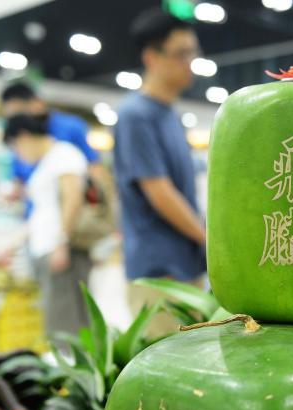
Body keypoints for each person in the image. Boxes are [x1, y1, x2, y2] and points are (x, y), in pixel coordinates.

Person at [114, 9, 206, 335]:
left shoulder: (169, 114)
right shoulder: (136, 115)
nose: (190, 61)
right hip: (160, 272)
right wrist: (208, 237)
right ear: (152, 57)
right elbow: (159, 192)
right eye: (182, 53)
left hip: (185, 266)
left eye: (193, 52)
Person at [1, 114, 91, 336]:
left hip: (60, 251)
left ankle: (73, 368)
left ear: (23, 136)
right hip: (48, 250)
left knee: (66, 322)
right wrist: (12, 245)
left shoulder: (64, 155)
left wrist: (61, 243)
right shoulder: (47, 162)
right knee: (57, 318)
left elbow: (73, 198)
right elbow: (43, 212)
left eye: (15, 147)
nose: (18, 155)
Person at [0, 82, 104, 190]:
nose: (16, 121)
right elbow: (18, 176)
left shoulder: (70, 126)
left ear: (36, 103)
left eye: (20, 112)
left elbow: (93, 165)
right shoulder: (21, 138)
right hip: (35, 203)